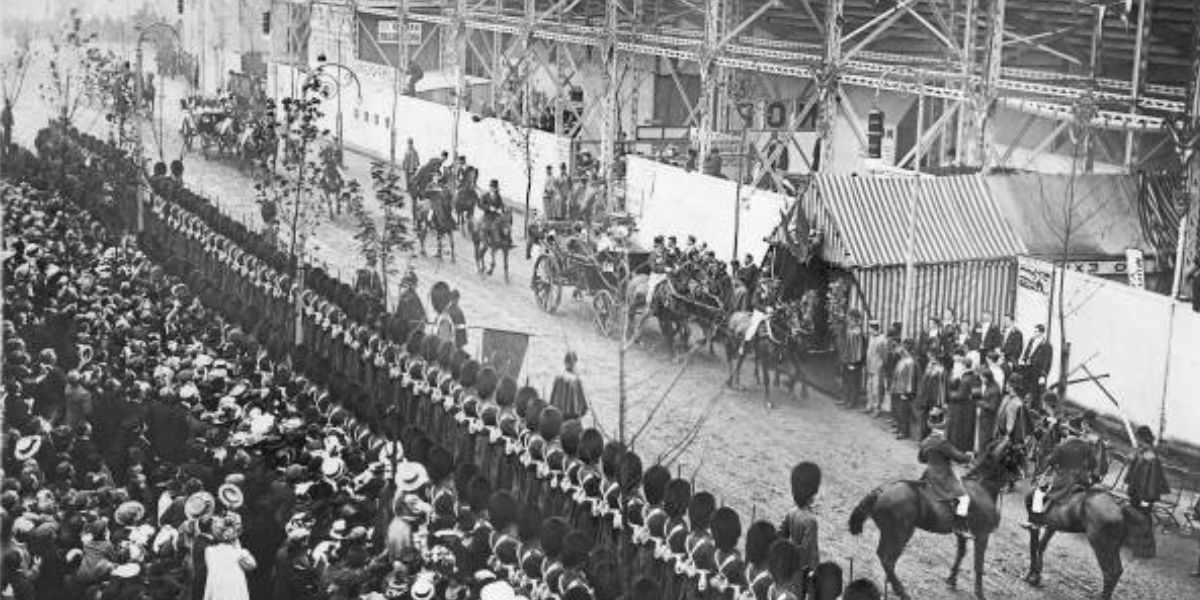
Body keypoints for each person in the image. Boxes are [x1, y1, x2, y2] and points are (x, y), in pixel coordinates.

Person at [1026, 413, 1103, 530]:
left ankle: (1036, 522)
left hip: (1063, 478)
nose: (1065, 432)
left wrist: (1051, 465)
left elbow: (1050, 461)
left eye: (1066, 430)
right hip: (1081, 479)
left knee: (1038, 494)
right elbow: (1093, 464)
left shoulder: (1064, 445)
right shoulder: (1088, 445)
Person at [919, 408, 974, 538]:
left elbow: (921, 459)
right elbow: (959, 458)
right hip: (942, 477)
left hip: (928, 474)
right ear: (943, 425)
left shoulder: (925, 442)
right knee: (965, 499)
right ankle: (959, 527)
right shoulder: (942, 442)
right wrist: (969, 456)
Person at [1125, 425, 1170, 558]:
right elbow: (1134, 465)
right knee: (1134, 514)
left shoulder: (1150, 454)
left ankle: (1146, 549)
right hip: (1137, 491)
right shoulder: (1143, 451)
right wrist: (1134, 455)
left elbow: (1149, 476)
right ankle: (1131, 541)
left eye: (1138, 438)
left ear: (1142, 438)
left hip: (1145, 493)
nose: (1137, 441)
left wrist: (1146, 497)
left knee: (1144, 517)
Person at [779, 462, 821, 579]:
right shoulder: (811, 520)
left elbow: (780, 536)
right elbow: (809, 552)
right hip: (804, 572)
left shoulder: (792, 512)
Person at [203, 515, 255, 600]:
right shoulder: (240, 553)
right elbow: (252, 565)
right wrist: (237, 544)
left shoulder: (209, 551)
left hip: (218, 593)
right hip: (235, 593)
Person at [838, 310, 867, 409]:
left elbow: (858, 350)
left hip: (853, 361)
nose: (847, 319)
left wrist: (853, 363)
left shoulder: (857, 332)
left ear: (854, 318)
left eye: (849, 317)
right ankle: (846, 399)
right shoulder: (850, 329)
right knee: (846, 380)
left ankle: (852, 402)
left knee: (853, 382)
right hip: (847, 360)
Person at [549, 351, 588, 421]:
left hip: (558, 417)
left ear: (565, 362)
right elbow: (583, 406)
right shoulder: (576, 380)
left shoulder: (558, 378)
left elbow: (551, 401)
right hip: (572, 418)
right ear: (574, 363)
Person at [891, 339, 918, 440]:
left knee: (904, 411)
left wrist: (907, 392)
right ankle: (899, 428)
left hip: (904, 391)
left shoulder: (910, 362)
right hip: (898, 388)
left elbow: (910, 378)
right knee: (898, 410)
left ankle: (904, 431)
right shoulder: (902, 360)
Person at [864, 320, 888, 416]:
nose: (869, 330)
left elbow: (884, 355)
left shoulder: (882, 339)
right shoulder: (871, 338)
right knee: (869, 387)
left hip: (877, 366)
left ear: (874, 328)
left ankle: (877, 408)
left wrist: (883, 365)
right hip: (870, 366)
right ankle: (869, 406)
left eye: (870, 328)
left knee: (876, 388)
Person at [1021, 324, 1053, 395]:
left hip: (1037, 372)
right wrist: (1024, 360)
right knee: (1024, 389)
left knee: (1034, 392)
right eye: (1034, 331)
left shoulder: (1047, 345)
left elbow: (1048, 362)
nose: (1034, 333)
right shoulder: (1031, 341)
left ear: (1041, 333)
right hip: (1027, 369)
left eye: (1036, 331)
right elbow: (1027, 352)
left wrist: (1043, 376)